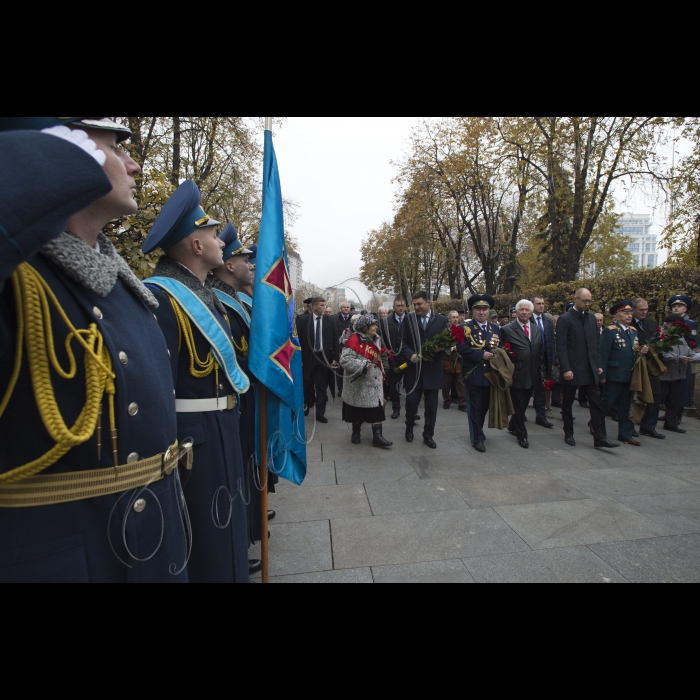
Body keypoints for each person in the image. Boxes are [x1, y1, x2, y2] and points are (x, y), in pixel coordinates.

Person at [0, 119, 189, 583]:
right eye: (111, 146)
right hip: (71, 558)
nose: (135, 164)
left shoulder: (125, 288)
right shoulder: (19, 282)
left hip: (155, 545)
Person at [143, 180, 252, 584]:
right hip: (191, 443)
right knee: (205, 543)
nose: (220, 243)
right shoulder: (161, 298)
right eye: (211, 234)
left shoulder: (200, 294)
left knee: (227, 534)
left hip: (221, 428)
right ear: (194, 245)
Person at [212, 224, 275, 576]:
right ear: (229, 266)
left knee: (247, 469)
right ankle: (242, 541)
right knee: (235, 477)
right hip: (229, 403)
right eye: (243, 258)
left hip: (243, 399)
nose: (250, 264)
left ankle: (247, 534)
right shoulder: (216, 299)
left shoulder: (233, 298)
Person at [556, 289, 618, 450]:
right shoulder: (565, 319)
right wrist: (566, 368)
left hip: (590, 368)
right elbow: (561, 346)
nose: (587, 304)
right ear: (575, 299)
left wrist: (598, 365)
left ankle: (600, 437)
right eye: (584, 300)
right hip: (572, 368)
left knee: (596, 404)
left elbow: (595, 345)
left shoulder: (591, 318)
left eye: (589, 301)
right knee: (568, 403)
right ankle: (568, 432)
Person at [398, 291, 449, 449]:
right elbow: (401, 341)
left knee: (432, 406)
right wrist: (410, 354)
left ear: (428, 303)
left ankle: (428, 435)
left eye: (420, 304)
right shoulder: (409, 319)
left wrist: (443, 347)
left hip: (433, 370)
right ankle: (409, 427)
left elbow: (447, 341)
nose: (417, 307)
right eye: (415, 304)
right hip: (414, 370)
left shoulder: (441, 320)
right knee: (412, 401)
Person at [599, 301, 650, 447]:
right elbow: (603, 353)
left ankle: (625, 433)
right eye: (625, 313)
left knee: (626, 406)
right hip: (614, 374)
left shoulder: (633, 331)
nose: (629, 316)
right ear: (617, 315)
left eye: (630, 313)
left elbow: (632, 351)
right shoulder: (610, 331)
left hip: (630, 375)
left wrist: (642, 350)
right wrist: (602, 374)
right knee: (607, 402)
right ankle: (596, 423)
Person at [340, 315, 393, 448]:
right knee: (357, 410)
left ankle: (378, 437)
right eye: (373, 325)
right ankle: (356, 433)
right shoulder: (354, 339)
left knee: (376, 409)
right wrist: (363, 364)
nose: (376, 327)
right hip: (359, 382)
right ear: (365, 327)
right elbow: (344, 360)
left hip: (374, 382)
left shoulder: (377, 339)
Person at [458, 295, 501, 453]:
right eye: (478, 309)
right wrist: (480, 355)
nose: (481, 312)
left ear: (489, 311)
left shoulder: (494, 328)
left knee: (484, 407)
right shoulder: (465, 328)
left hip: (490, 374)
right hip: (474, 373)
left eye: (484, 309)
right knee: (475, 407)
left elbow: (500, 346)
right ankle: (477, 438)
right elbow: (461, 348)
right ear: (473, 311)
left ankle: (479, 430)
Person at [502, 300, 546, 449]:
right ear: (516, 311)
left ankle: (513, 425)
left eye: (527, 310)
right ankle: (522, 435)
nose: (524, 312)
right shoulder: (507, 329)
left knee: (523, 405)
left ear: (531, 312)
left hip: (533, 375)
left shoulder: (536, 329)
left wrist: (542, 373)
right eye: (522, 310)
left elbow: (540, 351)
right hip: (517, 374)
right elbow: (502, 353)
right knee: (520, 406)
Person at [297, 297, 340, 424]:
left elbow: (335, 339)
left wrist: (335, 358)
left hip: (324, 358)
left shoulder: (329, 320)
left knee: (322, 386)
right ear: (314, 306)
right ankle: (306, 406)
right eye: (321, 305)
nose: (324, 308)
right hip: (308, 358)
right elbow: (297, 339)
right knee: (307, 384)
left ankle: (320, 413)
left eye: (324, 305)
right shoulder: (303, 320)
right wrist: (298, 358)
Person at [659, 314, 700, 433]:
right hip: (665, 375)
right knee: (657, 400)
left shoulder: (681, 339)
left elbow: (689, 352)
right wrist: (680, 358)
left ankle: (671, 423)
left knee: (674, 401)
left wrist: (695, 356)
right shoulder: (665, 337)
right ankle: (647, 423)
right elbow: (665, 355)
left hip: (678, 375)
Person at [632, 298, 665, 440]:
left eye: (646, 309)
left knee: (655, 395)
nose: (644, 312)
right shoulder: (630, 324)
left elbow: (657, 342)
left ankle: (649, 426)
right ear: (633, 310)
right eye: (641, 310)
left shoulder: (651, 323)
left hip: (650, 365)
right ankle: (630, 425)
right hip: (636, 366)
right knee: (634, 397)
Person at [669, 295, 698, 412]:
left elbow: (693, 342)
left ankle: (677, 415)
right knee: (670, 388)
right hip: (671, 358)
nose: (676, 308)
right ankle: (669, 413)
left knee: (681, 388)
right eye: (674, 306)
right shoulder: (669, 322)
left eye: (679, 306)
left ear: (685, 309)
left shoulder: (690, 323)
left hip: (683, 357)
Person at [531, 297, 555, 429]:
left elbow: (552, 342)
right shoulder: (528, 319)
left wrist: (552, 360)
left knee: (541, 388)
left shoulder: (548, 321)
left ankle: (541, 416)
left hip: (544, 358)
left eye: (543, 304)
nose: (541, 306)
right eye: (538, 304)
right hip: (532, 358)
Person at [385, 299, 408, 420]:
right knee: (394, 384)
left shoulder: (411, 320)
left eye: (402, 306)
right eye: (398, 306)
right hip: (394, 358)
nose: (400, 308)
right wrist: (388, 351)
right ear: (393, 307)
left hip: (408, 357)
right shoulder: (386, 321)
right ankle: (396, 408)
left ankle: (411, 411)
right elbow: (383, 338)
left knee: (410, 383)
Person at [443, 312, 467, 414]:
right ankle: (447, 400)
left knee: (461, 382)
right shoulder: (445, 331)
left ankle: (462, 402)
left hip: (459, 360)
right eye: (453, 317)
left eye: (457, 317)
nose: (456, 319)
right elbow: (441, 344)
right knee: (446, 383)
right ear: (449, 319)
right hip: (447, 360)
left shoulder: (464, 329)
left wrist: (460, 349)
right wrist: (450, 347)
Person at [334, 302, 354, 398]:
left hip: (352, 349)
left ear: (350, 309)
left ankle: (349, 389)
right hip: (339, 348)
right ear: (340, 308)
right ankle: (340, 389)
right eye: (344, 307)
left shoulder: (354, 319)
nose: (346, 309)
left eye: (347, 307)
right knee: (339, 370)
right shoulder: (334, 319)